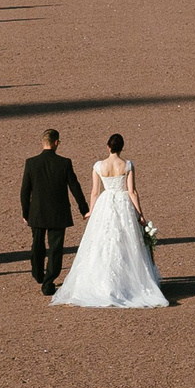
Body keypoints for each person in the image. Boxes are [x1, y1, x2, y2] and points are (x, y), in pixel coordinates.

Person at [50, 132, 169, 309]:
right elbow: (132, 192)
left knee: (101, 242)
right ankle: (127, 283)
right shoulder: (127, 165)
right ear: (122, 147)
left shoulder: (99, 166)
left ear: (108, 146)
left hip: (105, 204)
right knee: (125, 243)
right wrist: (140, 214)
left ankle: (100, 283)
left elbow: (95, 191)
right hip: (122, 204)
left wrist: (91, 210)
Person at [19, 128, 88, 296]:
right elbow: (74, 187)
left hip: (37, 212)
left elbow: (25, 191)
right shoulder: (64, 163)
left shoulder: (31, 163)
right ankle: (49, 282)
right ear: (56, 142)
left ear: (43, 142)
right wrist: (83, 208)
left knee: (37, 244)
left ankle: (37, 272)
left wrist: (25, 212)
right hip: (58, 213)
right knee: (56, 248)